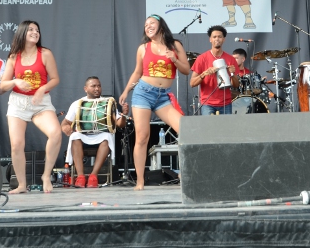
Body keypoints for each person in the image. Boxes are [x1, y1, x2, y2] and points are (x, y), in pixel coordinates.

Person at [119, 14, 190, 190]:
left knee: (185, 130)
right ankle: (140, 180)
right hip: (143, 93)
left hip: (163, 97)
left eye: (152, 23)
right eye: (145, 25)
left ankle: (185, 172)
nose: (148, 26)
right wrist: (126, 90)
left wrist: (174, 59)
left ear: (161, 26)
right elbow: (137, 72)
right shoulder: (143, 48)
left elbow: (186, 70)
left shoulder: (175, 45)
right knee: (142, 137)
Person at [0, 20, 61, 194]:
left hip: (40, 103)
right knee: (17, 144)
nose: (35, 32)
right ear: (22, 33)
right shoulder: (13, 57)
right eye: (31, 30)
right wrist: (14, 81)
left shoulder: (45, 54)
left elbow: (55, 79)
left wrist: (42, 88)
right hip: (18, 103)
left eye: (37, 30)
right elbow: (2, 87)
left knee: (55, 133)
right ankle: (21, 185)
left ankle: (46, 176)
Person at [61, 76, 128, 188]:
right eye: (93, 86)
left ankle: (93, 176)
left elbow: (120, 124)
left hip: (101, 135)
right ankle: (81, 176)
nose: (97, 88)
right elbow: (65, 123)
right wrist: (65, 128)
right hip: (83, 135)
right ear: (85, 88)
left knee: (107, 136)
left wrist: (124, 114)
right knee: (75, 136)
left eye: (99, 86)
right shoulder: (77, 104)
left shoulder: (107, 103)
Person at [191, 26, 240, 115]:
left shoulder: (230, 59)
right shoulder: (201, 58)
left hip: (226, 103)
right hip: (207, 103)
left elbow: (236, 85)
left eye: (220, 37)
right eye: (214, 37)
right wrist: (204, 73)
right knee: (208, 129)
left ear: (224, 39)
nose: (217, 39)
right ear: (210, 39)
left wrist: (232, 73)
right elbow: (192, 83)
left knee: (226, 129)